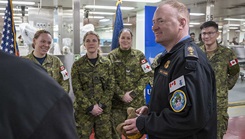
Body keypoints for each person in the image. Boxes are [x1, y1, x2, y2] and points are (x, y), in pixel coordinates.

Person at [122, 1, 217, 138]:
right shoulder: (170, 57)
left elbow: (190, 117)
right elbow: (174, 102)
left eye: (160, 21)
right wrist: (151, 110)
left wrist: (145, 123)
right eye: (154, 22)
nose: (154, 27)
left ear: (182, 23)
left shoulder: (188, 62)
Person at [0, 51, 78, 139]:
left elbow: (65, 79)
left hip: (49, 105)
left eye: (49, 42)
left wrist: (58, 95)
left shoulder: (56, 60)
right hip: (29, 108)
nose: (45, 45)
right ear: (35, 41)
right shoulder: (24, 62)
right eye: (43, 41)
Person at [107, 28, 152, 139]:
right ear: (118, 39)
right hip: (117, 104)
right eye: (123, 38)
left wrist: (133, 93)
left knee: (134, 135)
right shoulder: (111, 56)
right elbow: (109, 78)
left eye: (128, 38)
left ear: (131, 40)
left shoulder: (139, 55)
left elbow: (148, 74)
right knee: (116, 133)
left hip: (135, 104)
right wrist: (121, 94)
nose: (125, 40)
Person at [199, 21, 240, 139]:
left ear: (217, 34)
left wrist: (224, 87)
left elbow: (235, 72)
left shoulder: (227, 54)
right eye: (204, 33)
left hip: (218, 102)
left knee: (217, 132)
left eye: (210, 33)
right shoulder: (196, 53)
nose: (206, 36)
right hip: (199, 100)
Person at [71, 31, 114, 138]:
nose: (91, 43)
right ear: (84, 44)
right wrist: (90, 107)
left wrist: (101, 105)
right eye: (88, 41)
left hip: (102, 111)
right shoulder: (77, 65)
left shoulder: (107, 63)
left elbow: (111, 86)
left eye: (94, 40)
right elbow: (77, 89)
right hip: (83, 112)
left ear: (98, 43)